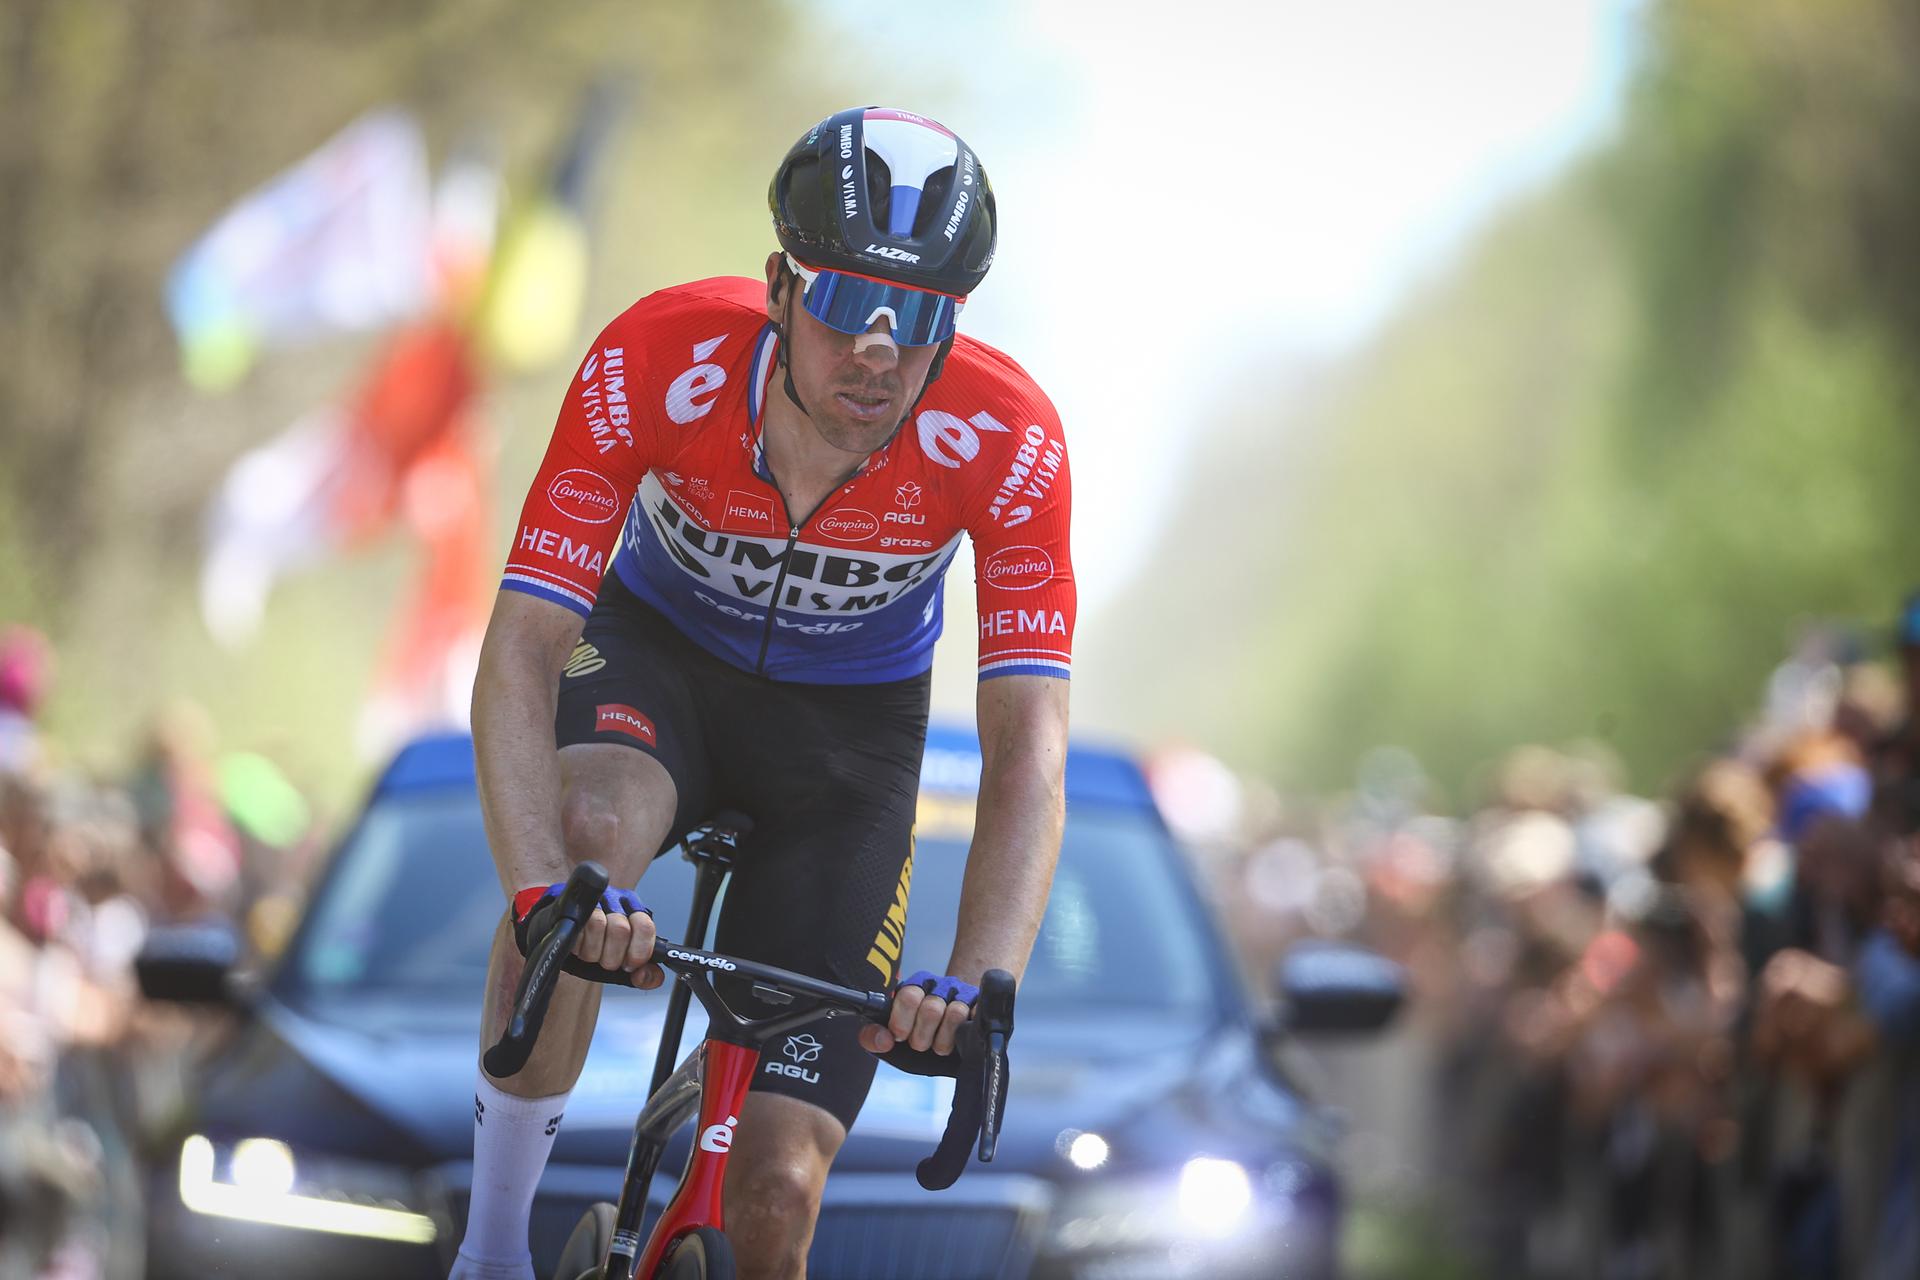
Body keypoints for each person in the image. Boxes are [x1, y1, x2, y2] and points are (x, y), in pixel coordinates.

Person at [452, 107, 1074, 1280]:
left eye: (922, 318)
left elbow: (1028, 747)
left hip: (847, 740)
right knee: (590, 833)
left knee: (781, 1187)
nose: (880, 352)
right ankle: (490, 1251)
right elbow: (525, 647)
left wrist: (981, 974)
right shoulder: (655, 352)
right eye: (846, 306)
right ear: (781, 287)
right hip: (656, 664)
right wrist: (543, 892)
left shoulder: (1010, 437)